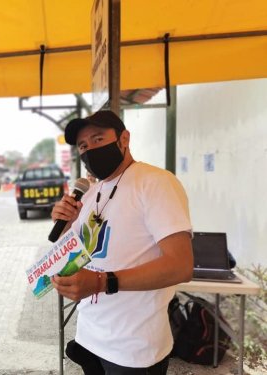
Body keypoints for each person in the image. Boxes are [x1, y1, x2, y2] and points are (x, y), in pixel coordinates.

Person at [50, 110, 193, 375]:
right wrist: (65, 225)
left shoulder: (156, 183)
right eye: (83, 145)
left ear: (124, 139)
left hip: (134, 349)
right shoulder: (91, 191)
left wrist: (102, 282)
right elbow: (80, 251)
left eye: (98, 139)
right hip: (90, 337)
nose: (90, 149)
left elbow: (180, 265)